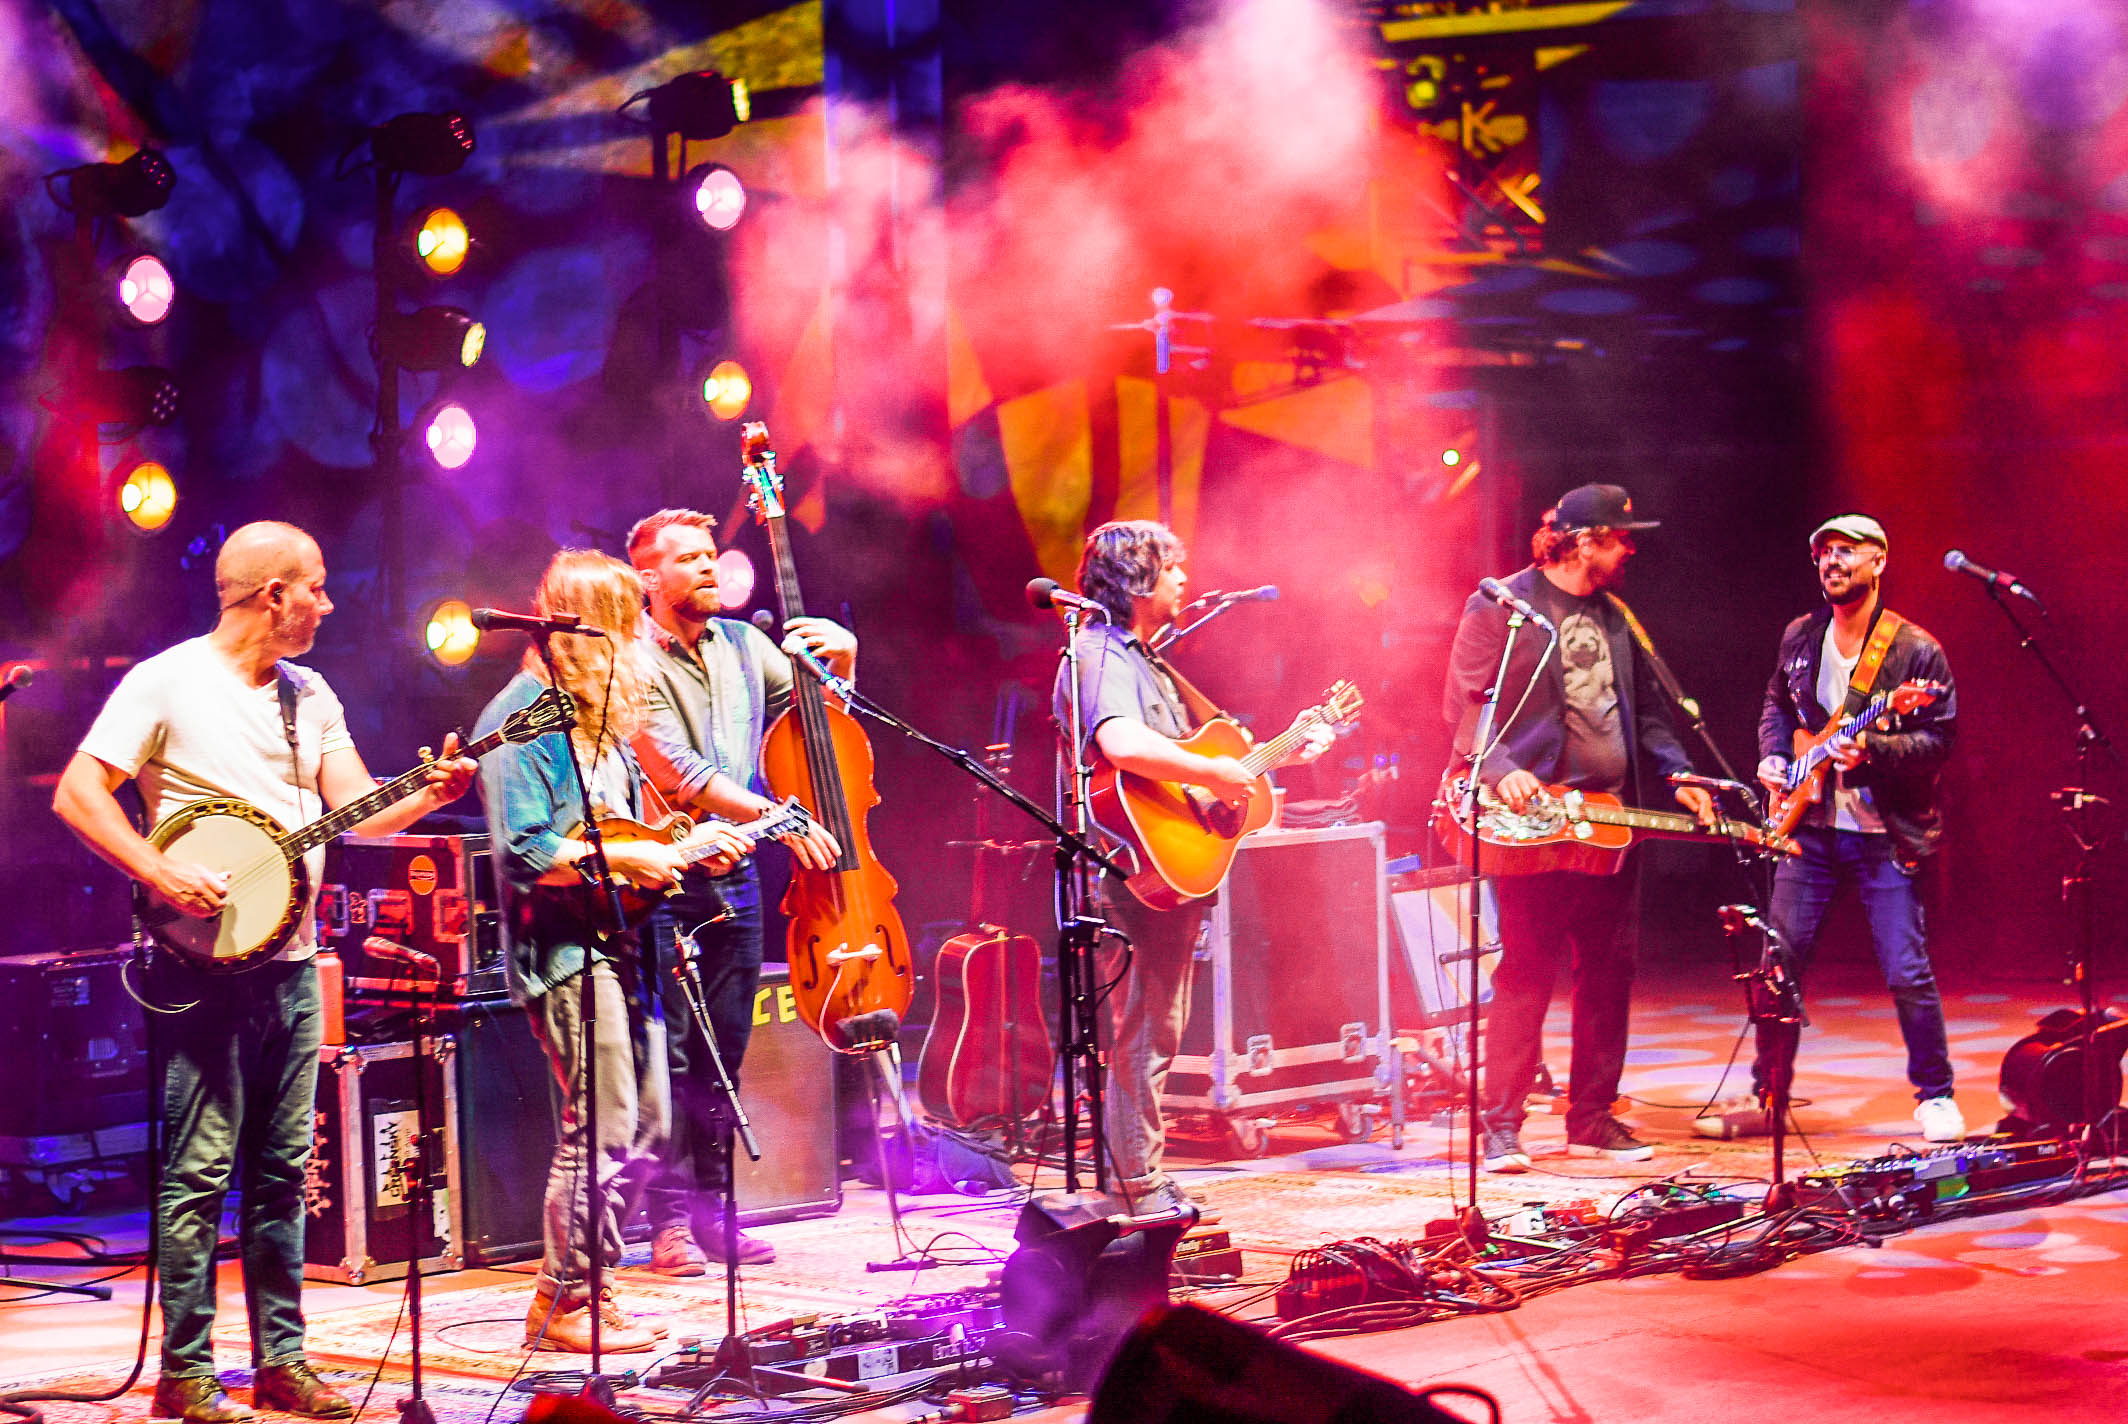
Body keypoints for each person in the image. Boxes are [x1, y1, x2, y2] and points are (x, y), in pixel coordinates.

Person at [52, 521, 477, 1422]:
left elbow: (357, 814)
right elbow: (78, 792)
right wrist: (158, 869)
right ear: (272, 594)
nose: (326, 602)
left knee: (286, 1171)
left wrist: (430, 792)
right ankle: (187, 1373)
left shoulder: (310, 694)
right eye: (313, 587)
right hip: (202, 971)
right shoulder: (165, 682)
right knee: (200, 1173)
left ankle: (282, 1359)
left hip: (292, 965)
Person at [473, 549, 752, 1351]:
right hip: (565, 952)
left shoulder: (600, 718)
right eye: (628, 621)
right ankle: (565, 1301)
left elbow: (626, 830)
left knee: (651, 1126)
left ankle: (589, 1284)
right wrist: (633, 859)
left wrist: (689, 844)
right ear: (589, 625)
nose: (642, 637)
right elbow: (525, 847)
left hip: (624, 943)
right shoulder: (523, 715)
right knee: (600, 1125)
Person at [1051, 519, 1332, 1216]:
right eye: (1172, 567)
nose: (1184, 579)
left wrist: (1272, 758)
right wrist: (1211, 766)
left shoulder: (1146, 661)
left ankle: (1136, 1172)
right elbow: (1119, 743)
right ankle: (1137, 1180)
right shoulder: (1097, 653)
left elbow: (1194, 781)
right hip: (1128, 867)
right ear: (1140, 579)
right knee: (1146, 1028)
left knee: (1156, 1027)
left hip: (1163, 864)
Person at [1441, 484, 1715, 1174]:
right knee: (1528, 967)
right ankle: (1501, 1126)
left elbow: (1645, 712)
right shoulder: (1504, 605)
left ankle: (1591, 1119)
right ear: (1586, 540)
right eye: (1622, 537)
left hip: (1611, 819)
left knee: (1610, 968)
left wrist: (1681, 771)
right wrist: (1501, 767)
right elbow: (1466, 707)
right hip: (1535, 822)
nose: (1631, 548)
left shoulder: (1616, 616)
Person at [624, 508, 849, 1273]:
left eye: (712, 554)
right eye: (688, 559)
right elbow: (681, 773)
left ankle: (717, 1214)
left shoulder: (746, 646)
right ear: (648, 579)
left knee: (725, 1050)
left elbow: (821, 716)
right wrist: (783, 817)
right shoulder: (632, 661)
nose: (710, 567)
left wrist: (843, 662)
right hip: (667, 877)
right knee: (675, 1057)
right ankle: (667, 1225)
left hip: (738, 879)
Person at [1695, 514, 1962, 1143]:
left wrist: (1874, 750)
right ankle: (1770, 1090)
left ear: (1878, 563)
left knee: (1906, 969)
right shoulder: (1800, 636)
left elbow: (1940, 740)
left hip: (1884, 836)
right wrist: (1775, 757)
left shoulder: (1914, 649)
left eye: (1848, 551)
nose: (1832, 562)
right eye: (1823, 553)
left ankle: (1936, 1095)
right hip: (1810, 828)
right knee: (1776, 965)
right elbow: (1776, 706)